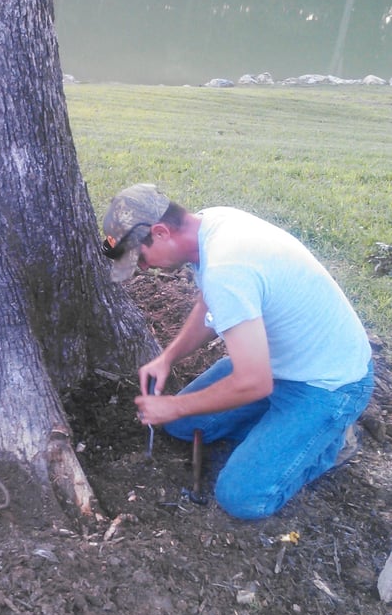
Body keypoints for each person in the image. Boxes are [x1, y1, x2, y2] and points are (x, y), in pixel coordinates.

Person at [101, 183, 374, 520]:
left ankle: (330, 442)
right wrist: (167, 358)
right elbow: (208, 304)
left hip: (328, 384)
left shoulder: (226, 266)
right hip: (277, 364)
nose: (143, 268)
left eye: (140, 257)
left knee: (242, 497)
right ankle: (282, 429)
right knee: (183, 426)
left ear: (159, 232)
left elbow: (253, 383)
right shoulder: (212, 224)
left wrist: (173, 404)